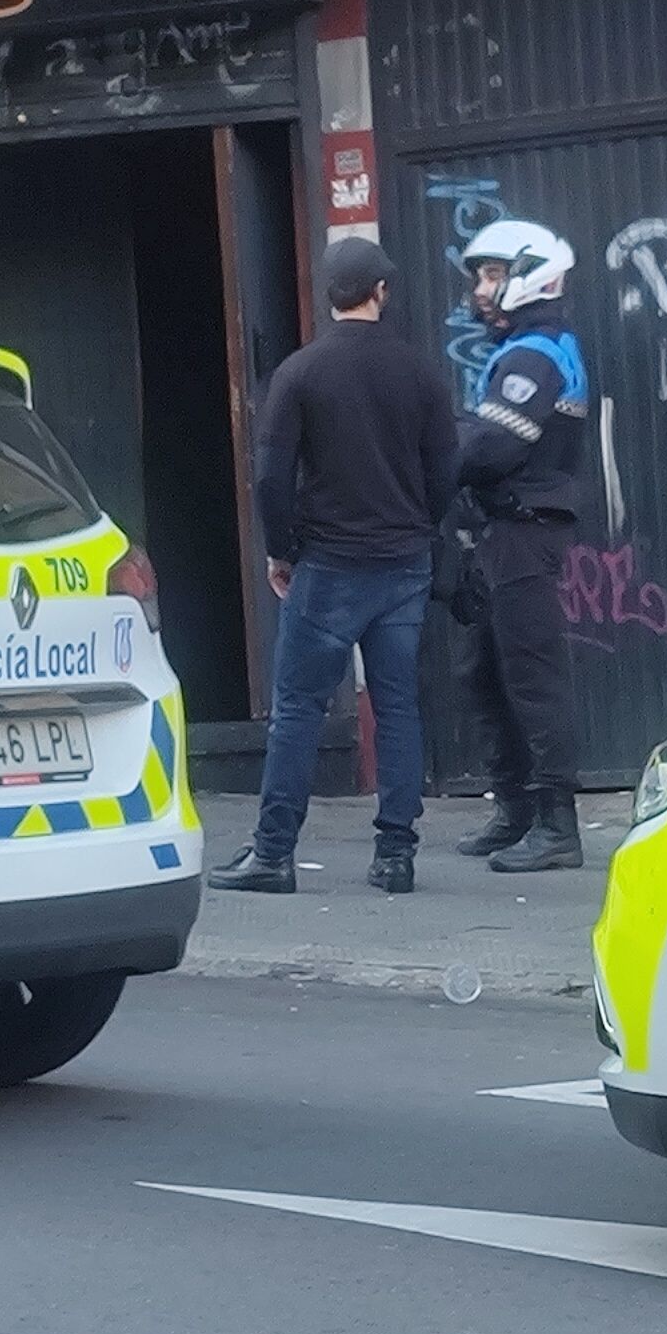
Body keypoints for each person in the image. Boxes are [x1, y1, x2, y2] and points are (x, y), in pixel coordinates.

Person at [211, 237, 459, 896]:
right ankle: (396, 855)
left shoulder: (299, 373)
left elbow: (270, 474)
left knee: (297, 708)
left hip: (328, 567)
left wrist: (282, 547)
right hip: (403, 565)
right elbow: (445, 473)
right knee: (398, 707)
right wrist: (420, 526)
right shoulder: (421, 373)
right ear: (381, 292)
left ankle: (274, 853)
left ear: (330, 297)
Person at [448, 218, 589, 874]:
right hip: (501, 535)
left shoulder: (536, 353)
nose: (480, 288)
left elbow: (490, 447)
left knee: (532, 676)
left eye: (493, 274)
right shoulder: (526, 348)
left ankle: (557, 825)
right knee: (484, 674)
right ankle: (515, 810)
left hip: (524, 533)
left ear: (532, 273)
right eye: (481, 275)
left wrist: (445, 443)